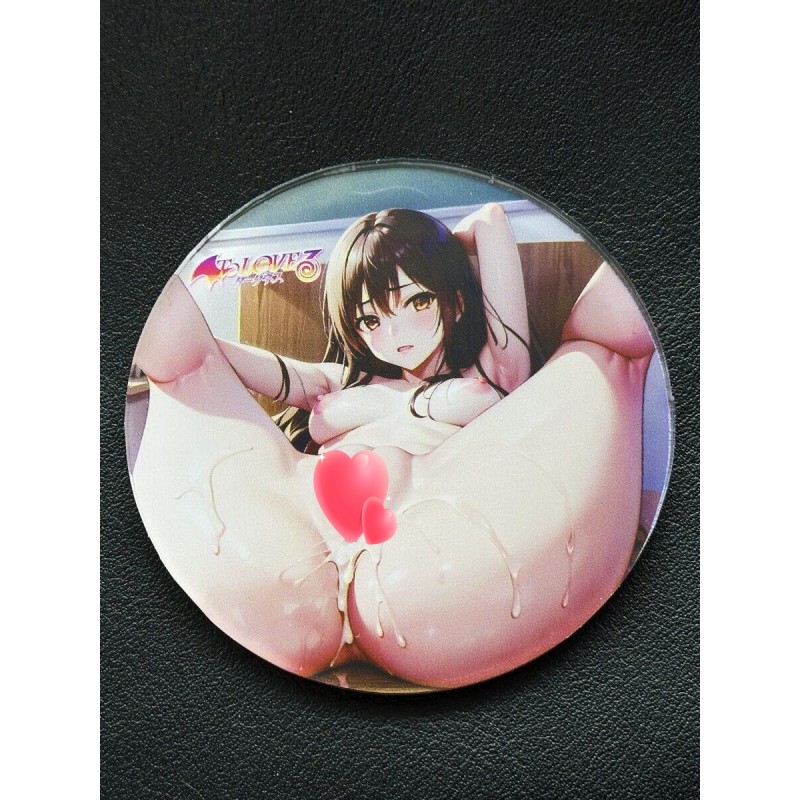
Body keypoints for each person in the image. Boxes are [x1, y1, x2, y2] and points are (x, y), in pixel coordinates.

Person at [131, 203, 654, 689]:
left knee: (604, 345)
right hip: (295, 548)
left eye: (417, 301)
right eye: (371, 319)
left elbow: (493, 220)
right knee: (188, 367)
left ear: (454, 302)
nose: (395, 331)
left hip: (437, 555)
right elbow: (220, 362)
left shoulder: (491, 374)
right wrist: (189, 350)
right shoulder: (339, 381)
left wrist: (433, 249)